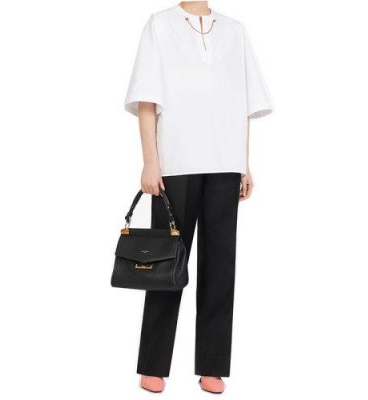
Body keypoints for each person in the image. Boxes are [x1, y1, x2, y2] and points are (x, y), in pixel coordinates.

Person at [124, 1, 273, 394]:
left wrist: (243, 164)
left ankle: (212, 365)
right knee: (165, 265)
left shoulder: (235, 31)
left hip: (224, 164)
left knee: (220, 267)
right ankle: (153, 364)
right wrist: (150, 162)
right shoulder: (159, 25)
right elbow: (146, 100)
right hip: (175, 165)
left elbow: (241, 104)